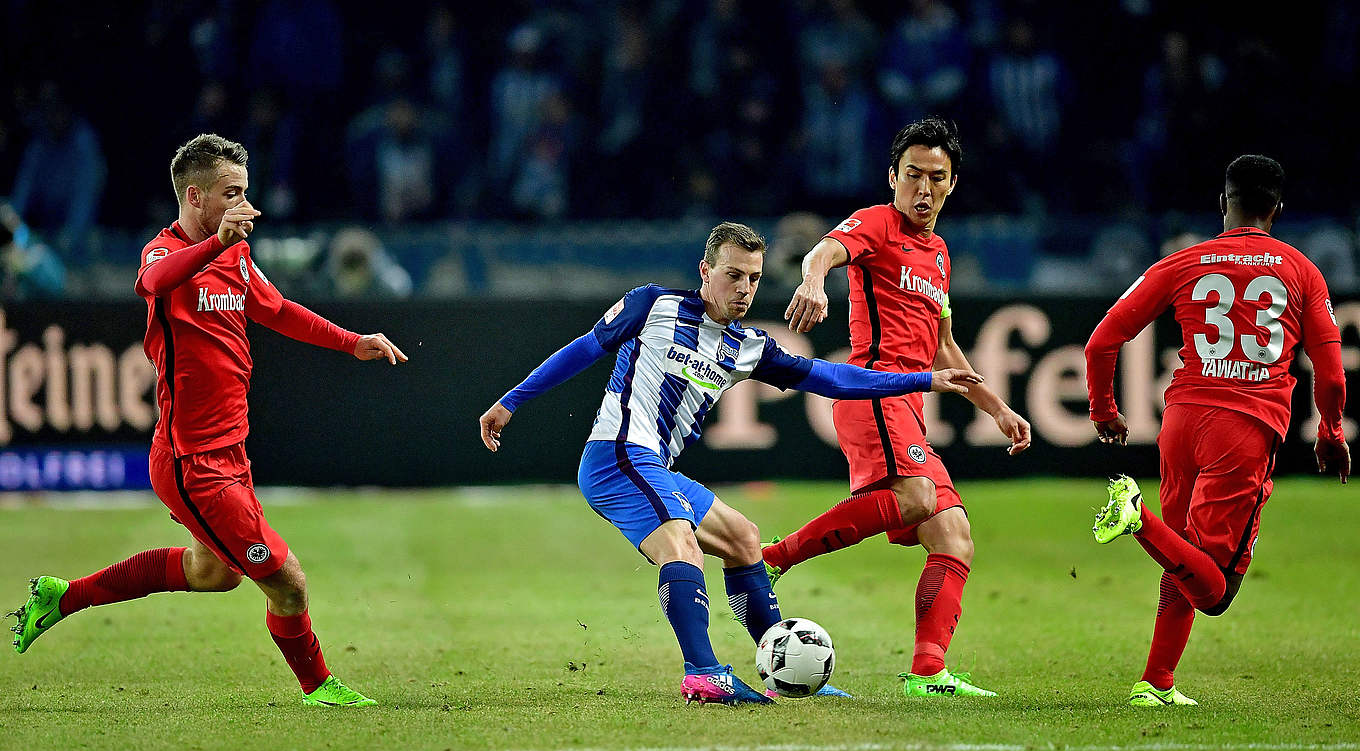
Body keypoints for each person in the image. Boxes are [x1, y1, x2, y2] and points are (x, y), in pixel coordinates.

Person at [478, 221, 983, 705]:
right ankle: (702, 674)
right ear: (705, 270)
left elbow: (834, 380)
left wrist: (922, 380)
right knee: (680, 543)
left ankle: (776, 664)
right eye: (733, 274)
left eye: (754, 278)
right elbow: (584, 350)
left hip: (657, 467)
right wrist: (509, 403)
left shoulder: (748, 348)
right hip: (616, 457)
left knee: (743, 538)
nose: (744, 288)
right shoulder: (651, 305)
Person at [8, 134, 409, 707]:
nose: (246, 207)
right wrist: (214, 245)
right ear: (195, 197)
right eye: (232, 194)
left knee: (213, 573)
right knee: (288, 581)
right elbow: (151, 283)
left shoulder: (237, 255)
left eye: (246, 192)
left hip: (230, 451)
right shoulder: (162, 253)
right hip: (193, 462)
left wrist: (352, 343)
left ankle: (61, 596)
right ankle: (321, 689)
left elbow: (277, 309)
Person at [762, 117, 1032, 698]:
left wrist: (997, 408)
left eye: (938, 177)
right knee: (917, 497)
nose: (924, 189)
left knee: (954, 535)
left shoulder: (938, 255)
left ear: (953, 183)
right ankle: (775, 556)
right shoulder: (878, 223)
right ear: (893, 177)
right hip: (874, 391)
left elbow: (943, 348)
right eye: (913, 175)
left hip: (910, 403)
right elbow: (824, 252)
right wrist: (812, 282)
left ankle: (928, 675)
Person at [1084, 154, 1348, 707]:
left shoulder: (1184, 262)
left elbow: (1102, 341)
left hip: (1182, 423)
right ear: (1277, 208)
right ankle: (1135, 518)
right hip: (1245, 429)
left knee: (1185, 557)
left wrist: (1104, 408)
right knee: (1217, 590)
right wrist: (1330, 430)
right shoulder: (1301, 270)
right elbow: (1329, 369)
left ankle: (1154, 683)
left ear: (1222, 203)